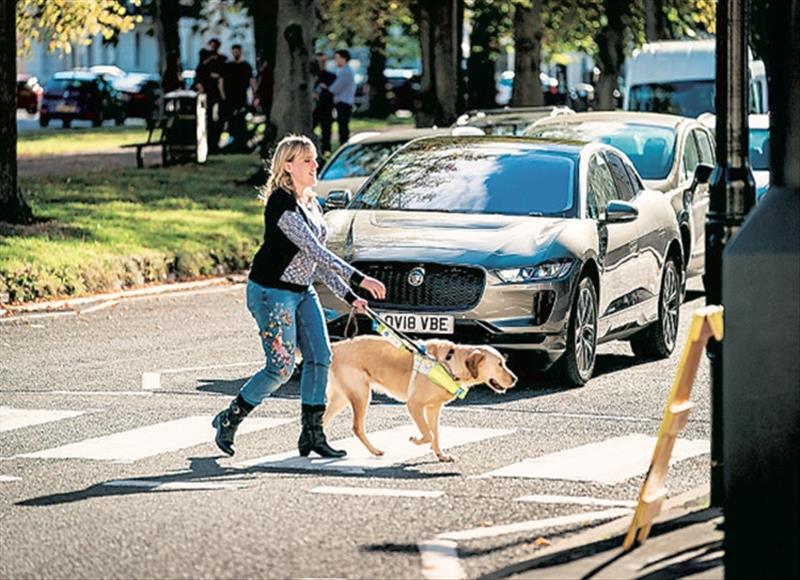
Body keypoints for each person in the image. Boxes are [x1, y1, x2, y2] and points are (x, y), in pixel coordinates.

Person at [212, 134, 386, 458]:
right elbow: (315, 251)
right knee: (279, 368)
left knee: (321, 357)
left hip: (303, 291)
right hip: (272, 292)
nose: (315, 165)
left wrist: (350, 297)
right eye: (307, 160)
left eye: (315, 159)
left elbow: (314, 266)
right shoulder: (281, 203)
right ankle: (229, 418)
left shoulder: (311, 202)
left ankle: (312, 435)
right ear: (288, 166)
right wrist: (360, 279)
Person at [194, 38, 227, 153]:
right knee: (207, 117)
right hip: (208, 93)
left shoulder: (221, 60)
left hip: (215, 94)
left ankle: (214, 143)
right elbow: (200, 72)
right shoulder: (204, 60)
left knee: (216, 118)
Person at [224, 44, 257, 152]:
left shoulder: (246, 66)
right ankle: (232, 145)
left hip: (242, 97)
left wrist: (254, 95)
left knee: (242, 121)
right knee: (232, 121)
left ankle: (242, 144)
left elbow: (252, 81)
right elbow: (222, 81)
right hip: (231, 97)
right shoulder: (228, 66)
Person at [327, 49, 356, 146]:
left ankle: (344, 145)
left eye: (338, 58)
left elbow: (335, 88)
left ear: (344, 59)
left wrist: (327, 88)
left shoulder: (346, 72)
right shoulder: (345, 71)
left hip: (344, 102)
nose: (336, 61)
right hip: (344, 102)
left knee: (343, 127)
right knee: (342, 126)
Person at [313, 52, 336, 154]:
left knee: (326, 131)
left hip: (326, 108)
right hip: (313, 109)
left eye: (323, 61)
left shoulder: (331, 76)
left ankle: (326, 151)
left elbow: (334, 91)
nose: (321, 64)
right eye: (319, 61)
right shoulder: (311, 77)